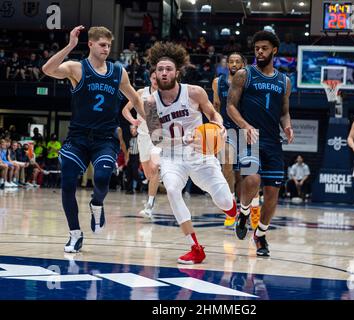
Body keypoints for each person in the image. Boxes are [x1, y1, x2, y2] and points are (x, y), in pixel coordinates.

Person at [122, 41, 237, 264]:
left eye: (168, 69)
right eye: (160, 69)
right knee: (173, 189)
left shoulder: (195, 93)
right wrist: (181, 138)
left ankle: (235, 212)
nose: (164, 73)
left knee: (223, 200)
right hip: (171, 155)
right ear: (154, 73)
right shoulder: (150, 103)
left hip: (200, 154)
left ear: (178, 72)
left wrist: (220, 127)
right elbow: (156, 137)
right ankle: (195, 247)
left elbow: (214, 115)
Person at [42, 25, 144, 253]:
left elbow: (136, 99)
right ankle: (75, 234)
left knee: (101, 179)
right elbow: (47, 69)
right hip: (77, 138)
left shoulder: (118, 72)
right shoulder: (76, 68)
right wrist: (69, 45)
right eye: (102, 45)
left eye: (108, 45)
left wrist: (154, 126)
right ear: (90, 44)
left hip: (105, 138)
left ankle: (97, 204)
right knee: (67, 184)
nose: (106, 49)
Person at [227, 30, 294, 257]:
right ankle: (244, 212)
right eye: (256, 48)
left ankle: (260, 235)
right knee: (252, 178)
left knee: (272, 193)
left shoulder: (284, 81)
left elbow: (284, 112)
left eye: (264, 48)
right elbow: (230, 107)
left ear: (274, 50)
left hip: (273, 142)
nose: (259, 52)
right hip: (249, 138)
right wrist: (245, 126)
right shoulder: (244, 75)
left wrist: (288, 126)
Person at [212, 52, 245, 227]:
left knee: (242, 174)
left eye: (237, 62)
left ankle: (244, 208)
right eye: (231, 61)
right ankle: (231, 208)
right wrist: (216, 126)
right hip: (226, 129)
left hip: (244, 129)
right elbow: (215, 106)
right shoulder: (218, 82)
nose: (234, 64)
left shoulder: (247, 82)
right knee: (227, 164)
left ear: (242, 65)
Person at [133, 67, 160, 218]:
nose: (156, 81)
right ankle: (157, 182)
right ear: (150, 78)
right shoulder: (141, 93)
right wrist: (133, 121)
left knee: (154, 168)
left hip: (157, 137)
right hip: (142, 136)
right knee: (149, 174)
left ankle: (149, 206)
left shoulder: (165, 95)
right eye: (154, 78)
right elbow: (125, 110)